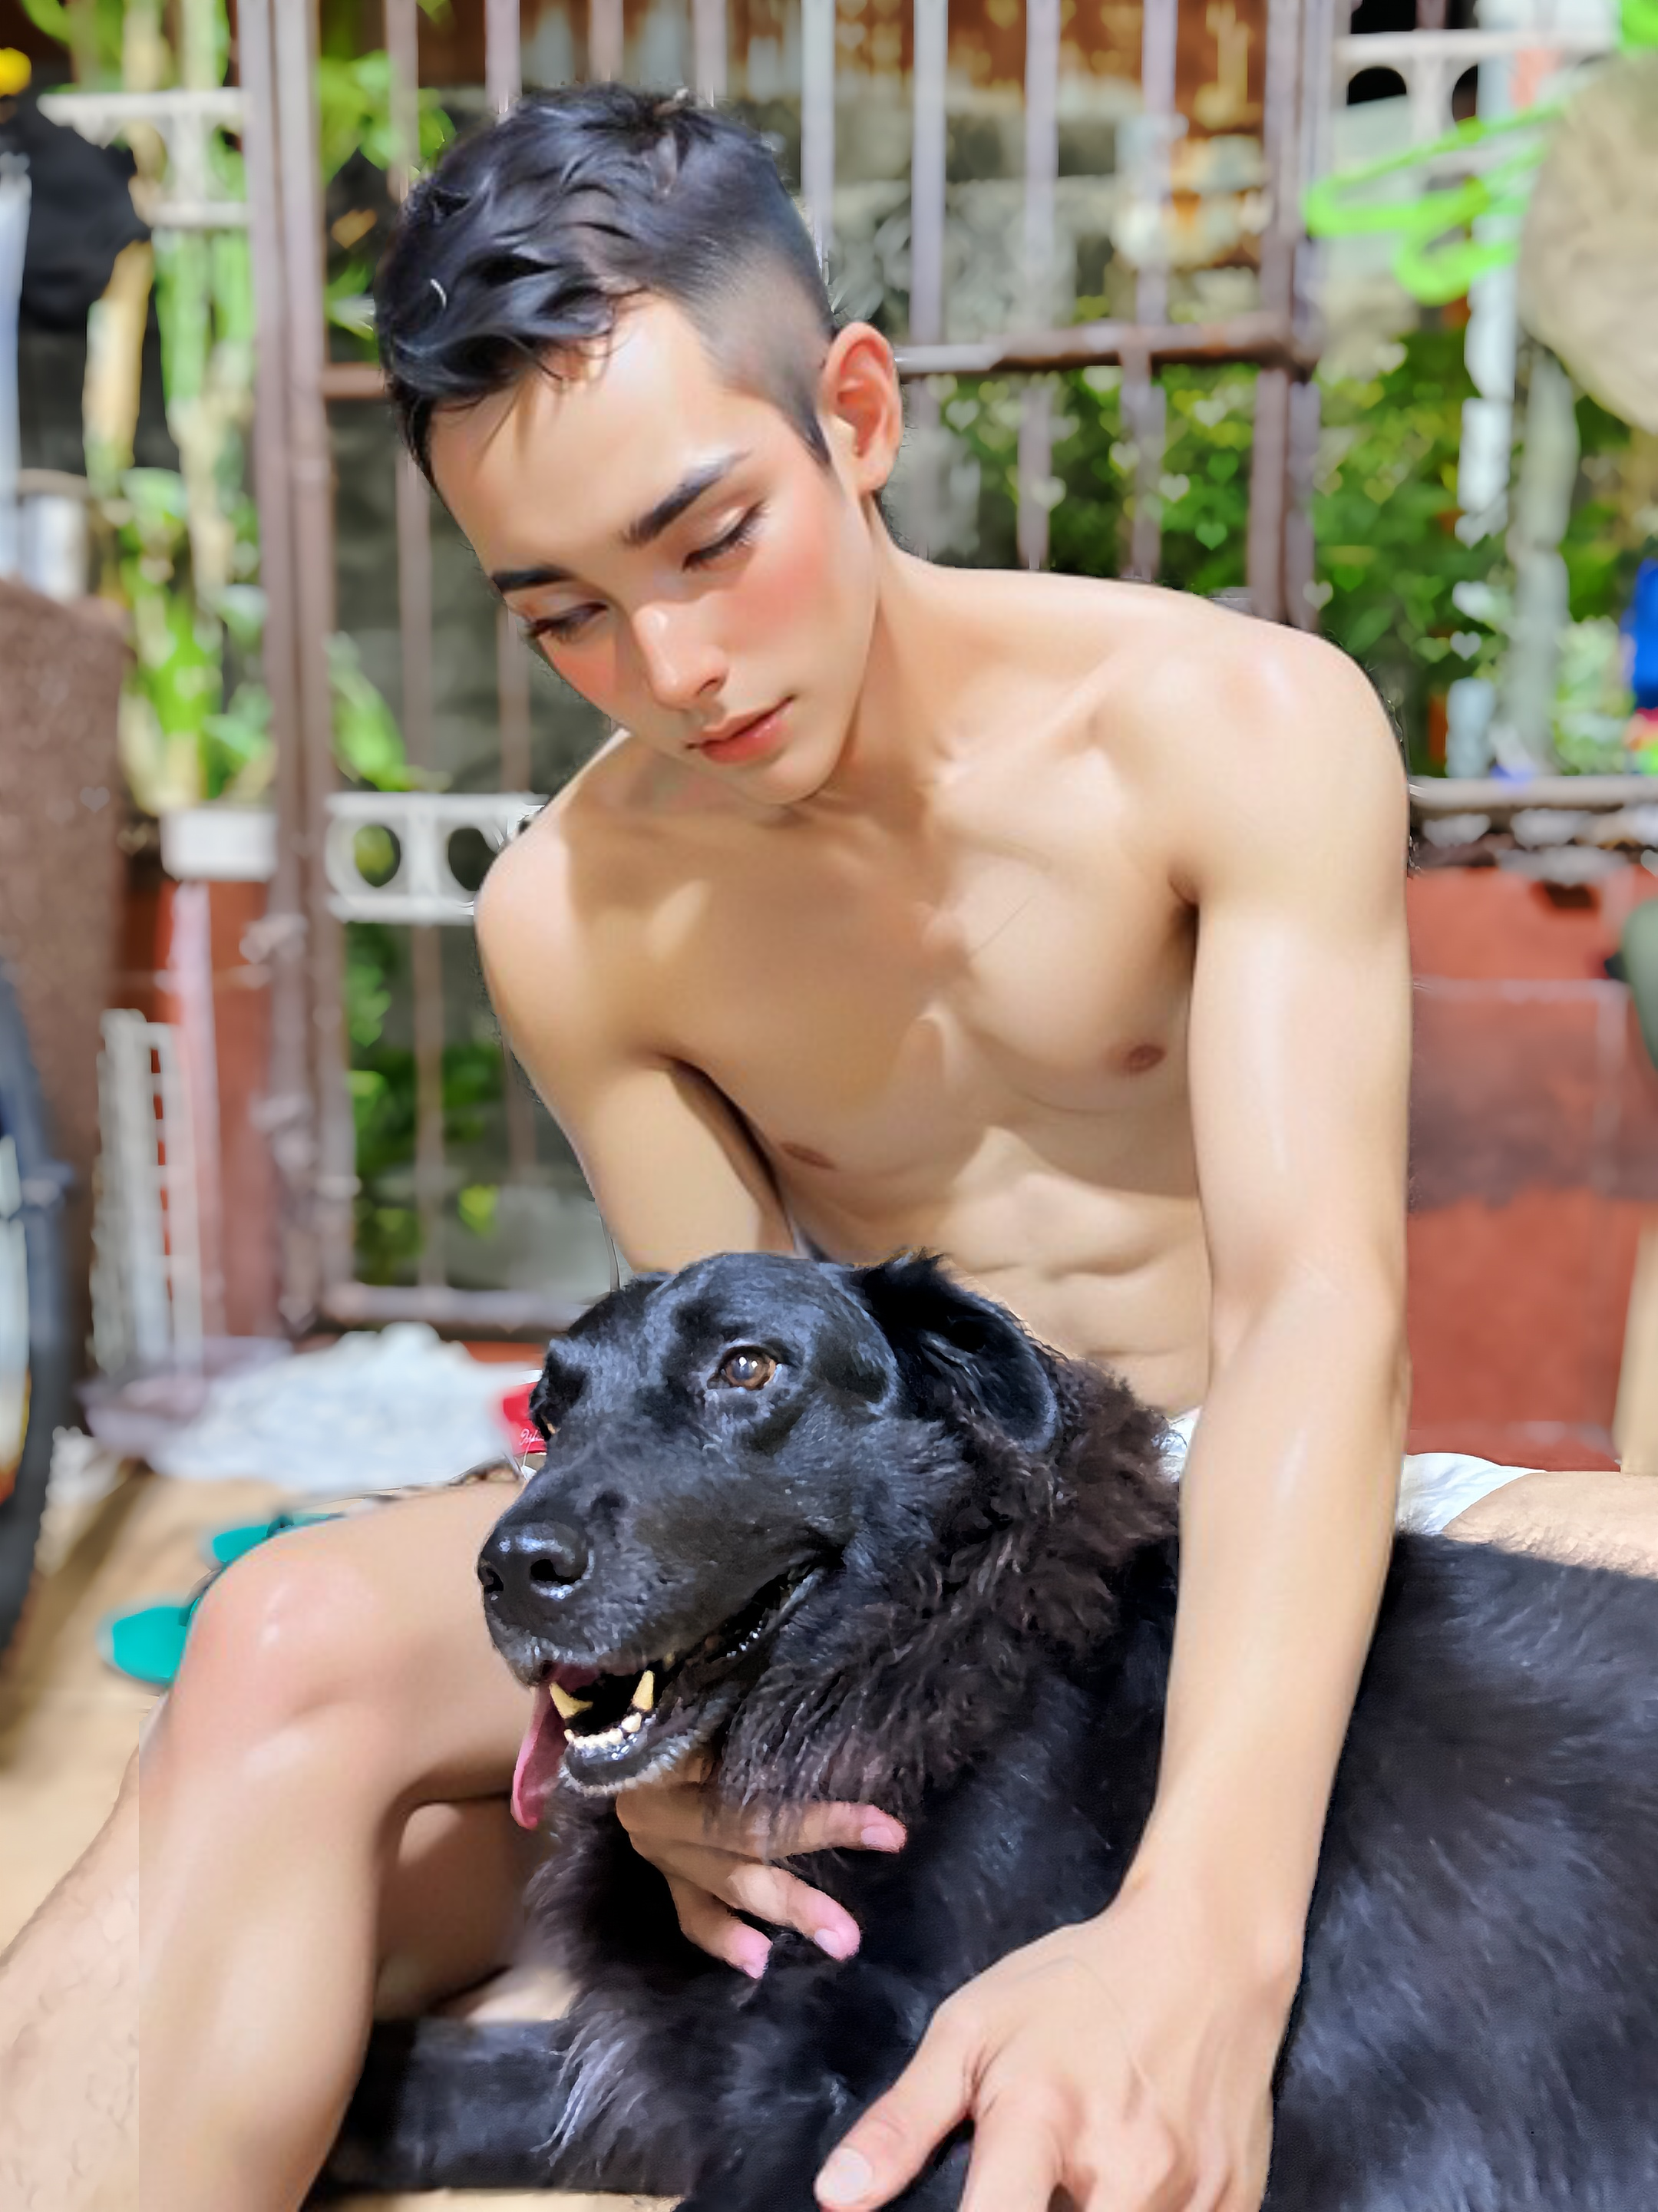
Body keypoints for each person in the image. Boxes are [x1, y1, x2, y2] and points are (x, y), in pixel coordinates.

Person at [5, 80, 1657, 2212]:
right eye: (563, 612)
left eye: (709, 541)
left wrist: (1203, 1940)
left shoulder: (1234, 729)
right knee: (277, 1642)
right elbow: (714, 1422)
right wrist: (672, 1766)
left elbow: (1319, 1321)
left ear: (854, 416)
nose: (671, 666)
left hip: (1229, 1490)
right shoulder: (578, 913)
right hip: (893, 1554)